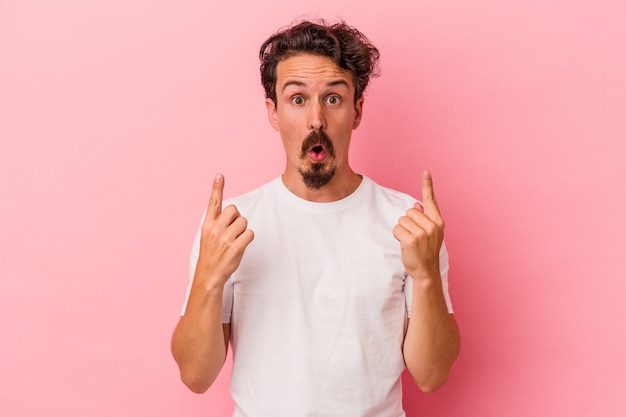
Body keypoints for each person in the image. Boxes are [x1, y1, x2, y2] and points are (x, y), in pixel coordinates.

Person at [171, 19, 460, 417]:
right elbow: (195, 375)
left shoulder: (409, 226)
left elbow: (432, 375)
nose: (316, 120)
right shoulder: (230, 228)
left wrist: (426, 274)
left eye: (334, 99)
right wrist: (208, 275)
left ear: (357, 111)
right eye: (297, 99)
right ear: (273, 112)